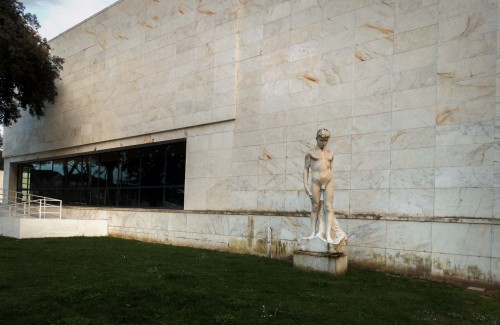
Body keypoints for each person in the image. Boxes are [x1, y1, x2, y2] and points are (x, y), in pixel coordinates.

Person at [303, 128, 346, 244]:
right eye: (321, 140)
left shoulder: (330, 153)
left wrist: (328, 181)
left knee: (328, 207)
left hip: (328, 182)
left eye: (326, 140)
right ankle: (313, 232)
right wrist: (306, 186)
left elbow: (330, 169)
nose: (324, 142)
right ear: (317, 139)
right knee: (315, 207)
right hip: (315, 181)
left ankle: (328, 234)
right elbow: (306, 169)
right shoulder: (310, 153)